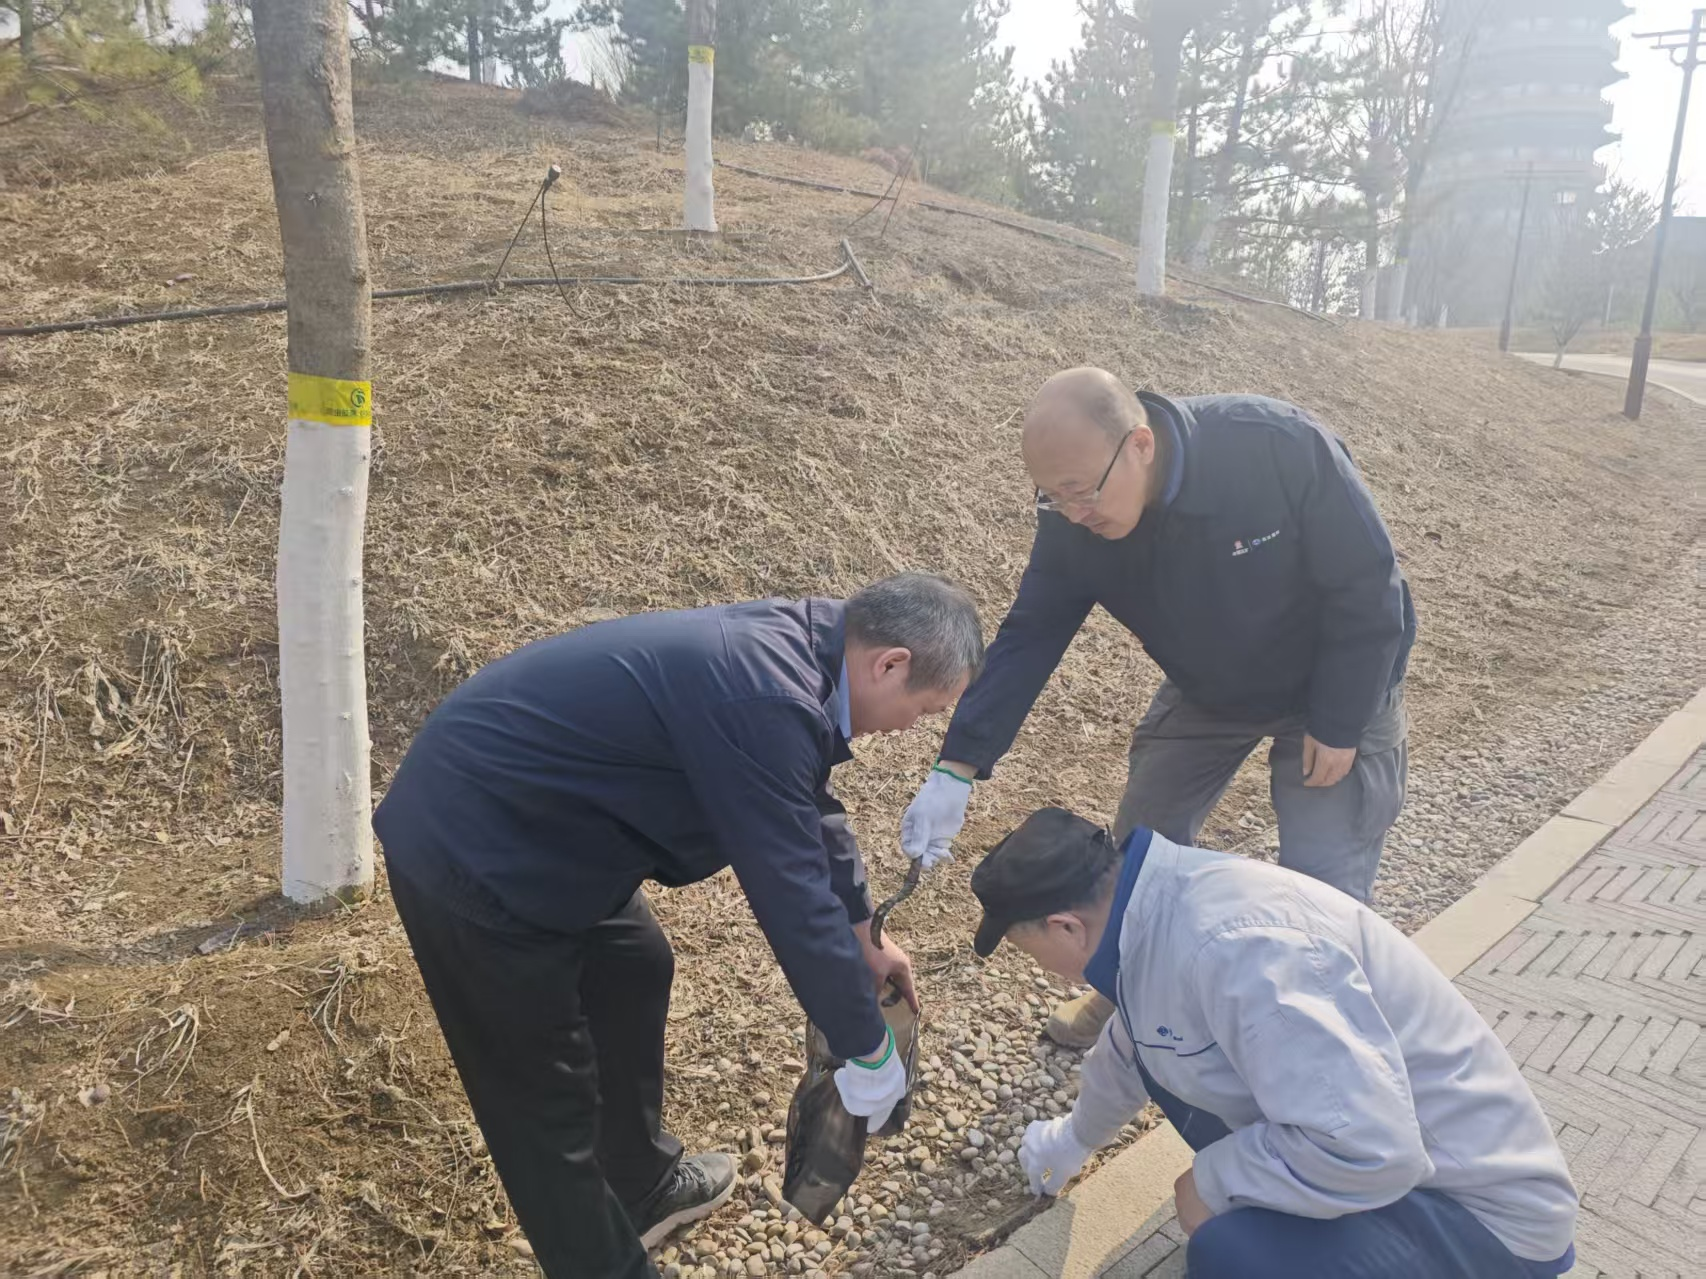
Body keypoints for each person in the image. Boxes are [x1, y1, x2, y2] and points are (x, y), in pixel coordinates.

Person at [372, 574, 985, 1279]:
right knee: (545, 1106)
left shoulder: (803, 657)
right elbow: (791, 895)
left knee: (635, 966)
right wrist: (864, 1047)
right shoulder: (766, 692)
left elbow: (806, 800)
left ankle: (640, 1186)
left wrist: (861, 929)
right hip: (473, 850)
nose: (914, 726)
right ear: (891, 664)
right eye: (925, 708)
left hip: (552, 827)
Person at [900, 367, 1416, 1049]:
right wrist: (958, 764)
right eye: (1052, 497)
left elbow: (1368, 582)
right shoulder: (1072, 518)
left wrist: (1342, 716)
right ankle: (1131, 994)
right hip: (1211, 686)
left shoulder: (1274, 447)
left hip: (1334, 679)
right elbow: (1032, 633)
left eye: (1082, 491)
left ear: (1139, 445)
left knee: (1324, 880)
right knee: (1140, 847)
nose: (1073, 513)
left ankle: (1317, 1042)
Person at [972, 808, 1579, 1279]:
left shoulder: (1241, 950)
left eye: (1032, 952)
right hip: (1412, 1173)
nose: (1047, 972)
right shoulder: (1154, 909)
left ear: (1066, 927)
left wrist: (1211, 1180)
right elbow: (1135, 1048)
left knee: (1234, 1253)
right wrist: (1073, 1139)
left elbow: (1371, 1150)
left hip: (1481, 1221)